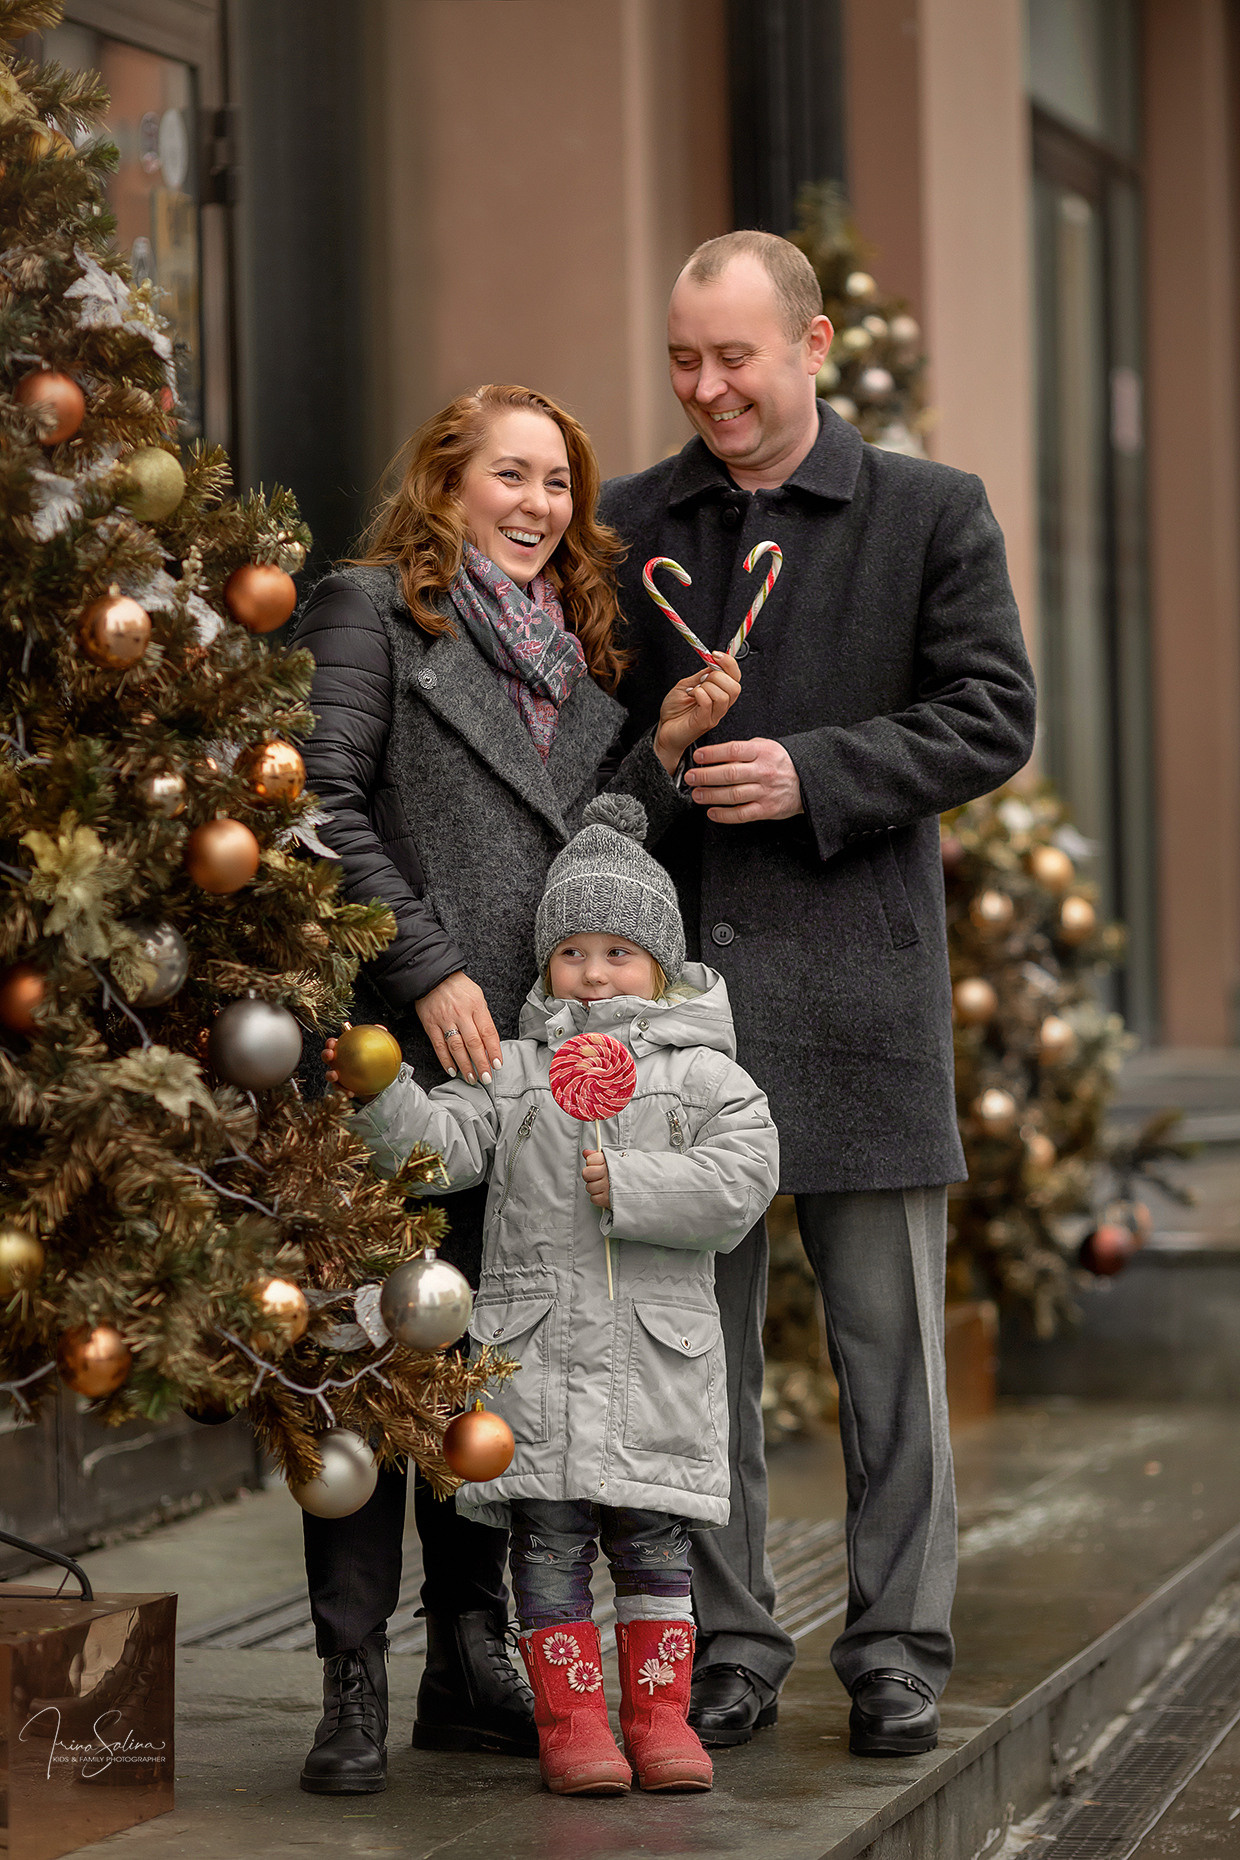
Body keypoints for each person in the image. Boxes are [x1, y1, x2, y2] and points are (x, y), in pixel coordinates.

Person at [599, 231, 1037, 1755]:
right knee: (689, 1350)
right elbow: (588, 764)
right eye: (682, 359)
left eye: (733, 356)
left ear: (813, 342)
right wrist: (658, 759)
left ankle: (899, 1648)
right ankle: (729, 1643)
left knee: (890, 1356)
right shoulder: (627, 523)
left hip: (863, 993)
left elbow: (995, 715)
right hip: (685, 1012)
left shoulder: (928, 512)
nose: (706, 386)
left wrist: (813, 770)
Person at [293, 383, 739, 1794]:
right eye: (511, 476)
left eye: (560, 483)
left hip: (534, 1075)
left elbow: (598, 853)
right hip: (397, 1051)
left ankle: (464, 1657)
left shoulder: (585, 665)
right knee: (373, 1365)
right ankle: (350, 1676)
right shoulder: (368, 610)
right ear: (444, 483)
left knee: (492, 1375)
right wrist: (423, 968)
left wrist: (656, 756)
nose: (540, 506)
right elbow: (317, 797)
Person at [332, 795, 780, 1795]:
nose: (594, 970)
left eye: (620, 952)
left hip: (654, 1362)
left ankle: (660, 1721)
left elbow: (741, 1182)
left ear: (661, 966)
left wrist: (634, 1184)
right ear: (545, 967)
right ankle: (573, 1726)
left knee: (656, 1548)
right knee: (548, 1547)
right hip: (537, 1363)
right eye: (572, 951)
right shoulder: (515, 1072)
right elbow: (439, 1151)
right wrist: (380, 1092)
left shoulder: (705, 1075)